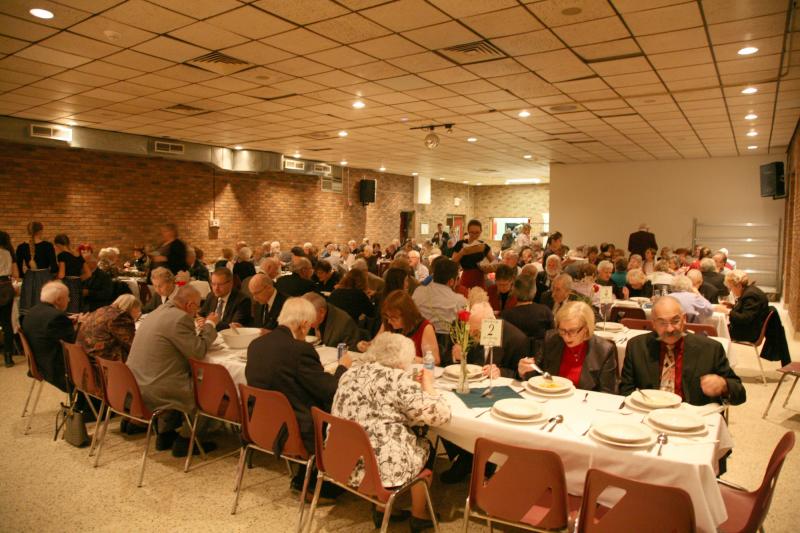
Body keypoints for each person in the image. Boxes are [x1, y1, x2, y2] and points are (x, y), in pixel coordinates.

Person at [332, 332, 449, 530]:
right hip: (380, 470)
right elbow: (440, 415)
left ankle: (382, 509)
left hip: (340, 461)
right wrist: (428, 384)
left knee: (377, 437)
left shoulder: (349, 373)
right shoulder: (396, 380)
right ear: (404, 359)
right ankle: (419, 515)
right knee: (424, 444)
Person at [246, 297, 352, 501]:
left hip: (260, 422)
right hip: (294, 428)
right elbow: (330, 389)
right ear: (303, 325)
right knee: (341, 411)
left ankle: (303, 477)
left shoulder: (256, 345)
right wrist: (342, 368)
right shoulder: (300, 350)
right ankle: (317, 482)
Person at [126, 285, 219, 457]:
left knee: (176, 374)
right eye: (197, 306)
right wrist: (210, 325)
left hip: (136, 381)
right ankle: (186, 440)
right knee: (212, 390)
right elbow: (198, 351)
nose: (198, 311)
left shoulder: (157, 311)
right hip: (156, 387)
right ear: (190, 305)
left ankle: (165, 434)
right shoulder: (180, 318)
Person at [621, 296, 745, 406]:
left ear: (684, 319)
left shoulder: (710, 349)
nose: (670, 329)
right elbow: (625, 391)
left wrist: (724, 385)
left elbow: (740, 394)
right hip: (648, 413)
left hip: (691, 417)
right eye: (662, 323)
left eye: (675, 321)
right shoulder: (636, 346)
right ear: (653, 324)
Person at [518, 301, 617, 393]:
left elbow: (607, 395)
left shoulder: (603, 350)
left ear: (586, 328)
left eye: (572, 331)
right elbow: (536, 376)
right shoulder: (552, 339)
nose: (566, 336)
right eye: (562, 330)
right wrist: (524, 372)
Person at [20, 281, 75, 392]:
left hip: (39, 365)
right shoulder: (57, 317)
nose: (69, 300)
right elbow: (74, 344)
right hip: (57, 371)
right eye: (67, 297)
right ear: (58, 300)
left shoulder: (32, 311)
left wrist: (68, 321)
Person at [359, 290, 439, 364]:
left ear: (407, 315)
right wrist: (366, 346)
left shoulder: (425, 327)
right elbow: (374, 345)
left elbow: (435, 360)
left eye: (394, 318)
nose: (389, 321)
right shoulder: (388, 323)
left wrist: (406, 358)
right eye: (387, 317)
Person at [451, 302, 528, 379]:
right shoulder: (465, 328)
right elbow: (448, 361)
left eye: (476, 332)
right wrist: (457, 357)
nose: (471, 335)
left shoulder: (516, 339)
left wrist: (500, 372)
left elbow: (520, 375)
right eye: (470, 329)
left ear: (490, 323)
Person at [412, 258, 467, 363]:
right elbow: (463, 326)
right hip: (446, 350)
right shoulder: (459, 300)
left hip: (419, 345)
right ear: (451, 281)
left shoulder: (418, 292)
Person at [77, 293, 141, 362]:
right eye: (139, 310)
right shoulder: (120, 317)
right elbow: (133, 345)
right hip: (101, 362)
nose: (139, 313)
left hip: (84, 357)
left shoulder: (102, 310)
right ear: (132, 308)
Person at [501, 274, 554, 355]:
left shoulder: (506, 315)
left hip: (514, 357)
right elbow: (552, 334)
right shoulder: (545, 311)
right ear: (534, 291)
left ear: (514, 291)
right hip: (540, 356)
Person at [16, 221, 57, 316]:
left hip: (29, 277)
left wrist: (24, 275)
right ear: (40, 231)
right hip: (44, 277)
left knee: (28, 305)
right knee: (44, 303)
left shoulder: (21, 247)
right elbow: (54, 267)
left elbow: (18, 267)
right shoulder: (48, 246)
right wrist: (52, 275)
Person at [722, 270, 770, 343]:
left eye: (731, 287)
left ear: (738, 285)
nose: (731, 291)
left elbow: (745, 318)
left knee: (718, 331)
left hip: (748, 333)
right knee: (721, 327)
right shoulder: (749, 290)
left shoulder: (750, 295)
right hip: (749, 328)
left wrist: (727, 311)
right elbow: (747, 310)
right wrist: (732, 306)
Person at [451, 219, 494, 289]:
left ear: (481, 231)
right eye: (472, 232)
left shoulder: (484, 246)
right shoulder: (460, 244)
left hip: (480, 279)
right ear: (468, 231)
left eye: (477, 232)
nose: (474, 235)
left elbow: (494, 262)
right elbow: (452, 263)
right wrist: (462, 252)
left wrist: (488, 268)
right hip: (466, 278)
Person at [0, 231, 19, 367]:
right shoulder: (9, 253)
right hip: (7, 287)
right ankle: (8, 357)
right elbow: (15, 273)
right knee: (7, 323)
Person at [54, 233, 86, 313]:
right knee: (77, 310)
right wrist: (78, 279)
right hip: (78, 284)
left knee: (69, 309)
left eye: (56, 246)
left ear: (58, 245)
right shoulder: (78, 255)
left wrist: (54, 280)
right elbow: (88, 273)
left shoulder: (62, 255)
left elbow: (61, 275)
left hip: (68, 284)